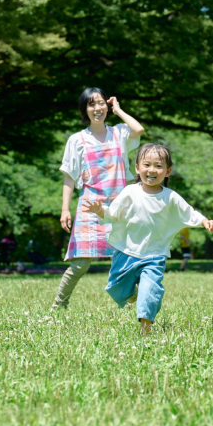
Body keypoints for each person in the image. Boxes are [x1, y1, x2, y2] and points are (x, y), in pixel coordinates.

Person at [84, 143, 213, 335]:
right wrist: (100, 210)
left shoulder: (170, 197)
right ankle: (133, 296)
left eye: (158, 166)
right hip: (126, 251)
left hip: (154, 255)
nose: (152, 170)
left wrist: (204, 221)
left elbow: (188, 212)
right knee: (116, 288)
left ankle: (145, 329)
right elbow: (113, 213)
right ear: (137, 168)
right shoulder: (130, 192)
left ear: (168, 171)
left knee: (150, 291)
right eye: (147, 165)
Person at [52, 88, 144, 310]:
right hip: (90, 206)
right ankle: (59, 306)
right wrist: (65, 209)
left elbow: (138, 129)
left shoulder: (119, 133)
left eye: (101, 103)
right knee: (80, 264)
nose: (97, 108)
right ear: (85, 109)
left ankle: (129, 303)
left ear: (107, 106)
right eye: (91, 104)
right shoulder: (77, 140)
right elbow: (69, 177)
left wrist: (119, 110)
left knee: (124, 259)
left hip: (119, 205)